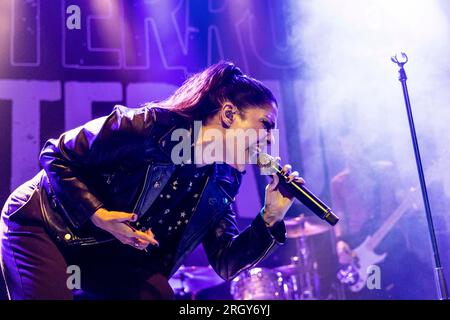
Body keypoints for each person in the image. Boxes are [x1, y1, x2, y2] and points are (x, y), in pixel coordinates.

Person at [0, 62, 303, 300]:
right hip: (43, 223)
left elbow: (225, 261)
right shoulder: (149, 127)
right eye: (265, 124)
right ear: (228, 114)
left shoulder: (222, 180)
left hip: (109, 255)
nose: (268, 139)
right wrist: (100, 215)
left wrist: (271, 217)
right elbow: (56, 154)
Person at [331, 132, 432, 299]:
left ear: (363, 145)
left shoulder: (386, 170)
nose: (352, 151)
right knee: (375, 292)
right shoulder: (339, 182)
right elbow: (339, 215)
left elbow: (402, 197)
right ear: (341, 148)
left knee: (406, 290)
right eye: (346, 146)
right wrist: (340, 241)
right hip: (363, 252)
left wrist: (411, 201)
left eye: (355, 145)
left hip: (394, 244)